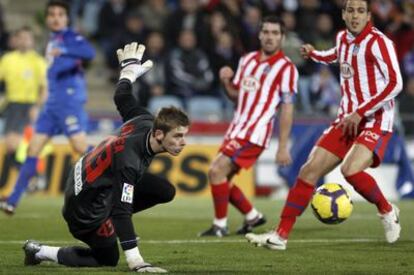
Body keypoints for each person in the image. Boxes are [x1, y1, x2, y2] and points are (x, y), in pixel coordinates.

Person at [246, 0, 403, 250]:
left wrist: (361, 111)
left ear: (368, 15)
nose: (355, 15)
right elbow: (336, 55)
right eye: (350, 10)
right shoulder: (343, 38)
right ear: (343, 14)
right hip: (346, 119)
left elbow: (396, 84)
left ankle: (386, 210)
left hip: (374, 120)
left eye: (360, 11)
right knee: (308, 171)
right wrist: (314, 54)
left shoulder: (379, 42)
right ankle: (281, 236)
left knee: (350, 171)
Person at [22, 42, 190, 273]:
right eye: (178, 136)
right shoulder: (130, 160)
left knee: (164, 190)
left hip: (86, 174)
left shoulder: (144, 119)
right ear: (159, 134)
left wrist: (128, 73)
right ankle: (39, 251)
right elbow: (123, 211)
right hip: (83, 209)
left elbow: (122, 96)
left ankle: (106, 217)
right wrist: (136, 261)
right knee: (107, 258)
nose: (183, 142)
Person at [199, 16, 298, 237]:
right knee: (222, 178)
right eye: (267, 32)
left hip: (255, 133)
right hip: (236, 129)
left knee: (216, 171)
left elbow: (287, 109)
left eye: (275, 33)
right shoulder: (247, 60)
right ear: (260, 34)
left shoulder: (286, 68)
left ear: (282, 37)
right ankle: (252, 216)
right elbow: (236, 96)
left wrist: (283, 146)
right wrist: (226, 81)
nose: (270, 37)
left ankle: (219, 225)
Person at [0, 0, 95, 215]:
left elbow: (89, 53)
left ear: (67, 18)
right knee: (33, 149)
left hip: (69, 102)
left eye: (60, 14)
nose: (55, 18)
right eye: (51, 14)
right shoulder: (51, 38)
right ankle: (12, 200)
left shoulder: (70, 37)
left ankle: (117, 174)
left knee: (81, 148)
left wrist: (64, 50)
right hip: (52, 104)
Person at [0, 26, 47, 183]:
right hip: (11, 105)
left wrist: (37, 106)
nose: (24, 41)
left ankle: (34, 176)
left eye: (27, 38)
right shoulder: (7, 59)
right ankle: (32, 177)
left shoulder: (38, 61)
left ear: (32, 41)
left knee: (21, 145)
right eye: (21, 37)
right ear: (16, 40)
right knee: (11, 146)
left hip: (29, 106)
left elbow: (45, 88)